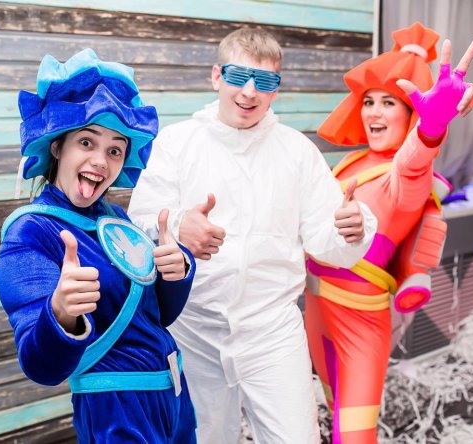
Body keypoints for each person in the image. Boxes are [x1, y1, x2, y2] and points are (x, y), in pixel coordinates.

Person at [128, 28, 377, 443]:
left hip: (272, 331)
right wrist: (178, 224)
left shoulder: (297, 152)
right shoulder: (177, 142)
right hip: (193, 329)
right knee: (203, 438)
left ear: (276, 89)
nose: (249, 91)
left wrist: (352, 228)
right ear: (216, 76)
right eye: (238, 76)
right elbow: (140, 219)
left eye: (263, 81)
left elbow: (327, 237)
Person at [0, 48, 198, 443]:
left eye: (115, 150)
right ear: (58, 146)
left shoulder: (115, 219)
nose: (101, 161)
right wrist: (60, 313)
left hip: (172, 394)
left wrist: (177, 269)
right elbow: (41, 367)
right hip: (116, 411)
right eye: (87, 142)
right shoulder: (30, 232)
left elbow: (157, 316)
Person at [304, 22, 473, 443]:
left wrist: (431, 128)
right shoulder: (352, 162)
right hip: (316, 310)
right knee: (331, 411)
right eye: (369, 101)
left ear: (411, 113)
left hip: (360, 320)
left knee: (354, 432)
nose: (374, 113)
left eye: (389, 103)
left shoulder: (405, 176)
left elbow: (414, 162)